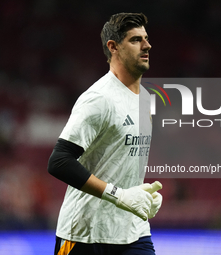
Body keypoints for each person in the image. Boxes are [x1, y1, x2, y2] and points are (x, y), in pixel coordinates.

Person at [48, 12, 162, 255]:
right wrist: (119, 195)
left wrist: (142, 194)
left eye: (146, 38)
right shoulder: (98, 98)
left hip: (134, 232)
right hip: (86, 235)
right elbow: (59, 162)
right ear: (113, 47)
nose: (147, 45)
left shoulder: (146, 100)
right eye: (135, 40)